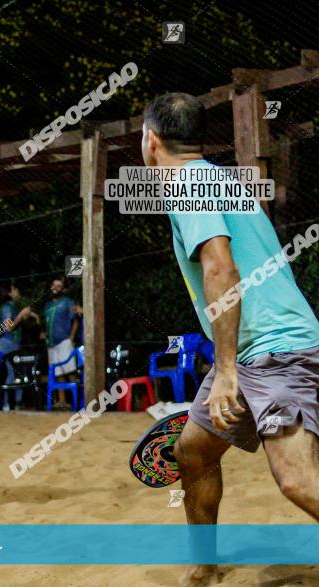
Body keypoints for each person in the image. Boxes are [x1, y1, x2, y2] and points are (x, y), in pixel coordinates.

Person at [141, 92, 319, 586]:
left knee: (297, 480)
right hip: (265, 345)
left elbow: (221, 267)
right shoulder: (219, 178)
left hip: (273, 351)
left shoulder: (185, 186)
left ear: (150, 140)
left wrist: (224, 372)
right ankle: (205, 569)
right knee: (193, 451)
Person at [0, 280, 38, 411]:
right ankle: (8, 404)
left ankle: (17, 403)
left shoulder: (12, 306)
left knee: (18, 374)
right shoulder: (7, 308)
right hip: (8, 344)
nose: (17, 291)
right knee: (11, 373)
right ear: (10, 292)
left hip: (14, 343)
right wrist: (21, 315)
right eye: (15, 289)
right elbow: (8, 328)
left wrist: (27, 316)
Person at [42, 277, 80, 409]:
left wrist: (71, 338)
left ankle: (79, 401)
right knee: (58, 373)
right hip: (51, 344)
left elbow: (75, 320)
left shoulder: (68, 302)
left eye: (58, 286)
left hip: (64, 342)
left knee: (70, 372)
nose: (55, 287)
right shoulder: (46, 306)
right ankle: (62, 402)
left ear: (63, 289)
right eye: (53, 285)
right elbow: (47, 324)